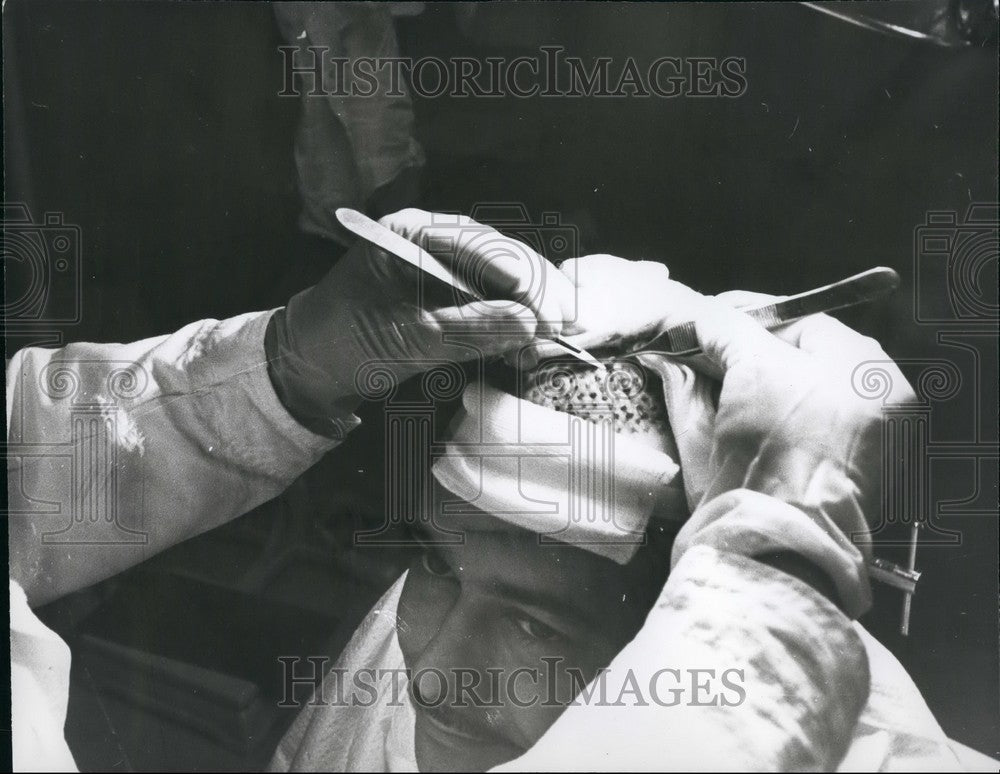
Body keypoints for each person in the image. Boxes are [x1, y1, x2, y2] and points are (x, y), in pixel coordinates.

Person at [7, 209, 994, 771]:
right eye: (433, 563)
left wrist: (281, 369)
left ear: (672, 616)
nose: (430, 672)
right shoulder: (417, 646)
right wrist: (776, 560)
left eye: (534, 624)